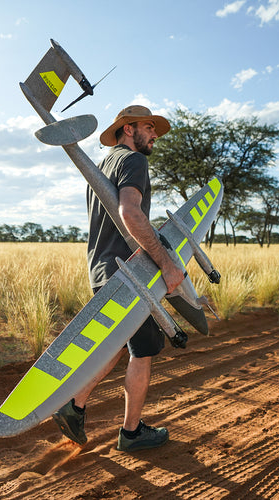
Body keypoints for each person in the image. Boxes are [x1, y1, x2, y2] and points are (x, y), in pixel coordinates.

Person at [52, 105, 185, 452]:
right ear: (128, 129)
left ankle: (74, 406)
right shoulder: (133, 161)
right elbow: (130, 212)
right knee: (143, 350)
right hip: (129, 274)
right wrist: (166, 265)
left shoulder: (104, 165)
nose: (154, 134)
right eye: (148, 127)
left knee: (116, 344)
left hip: (102, 269)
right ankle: (131, 432)